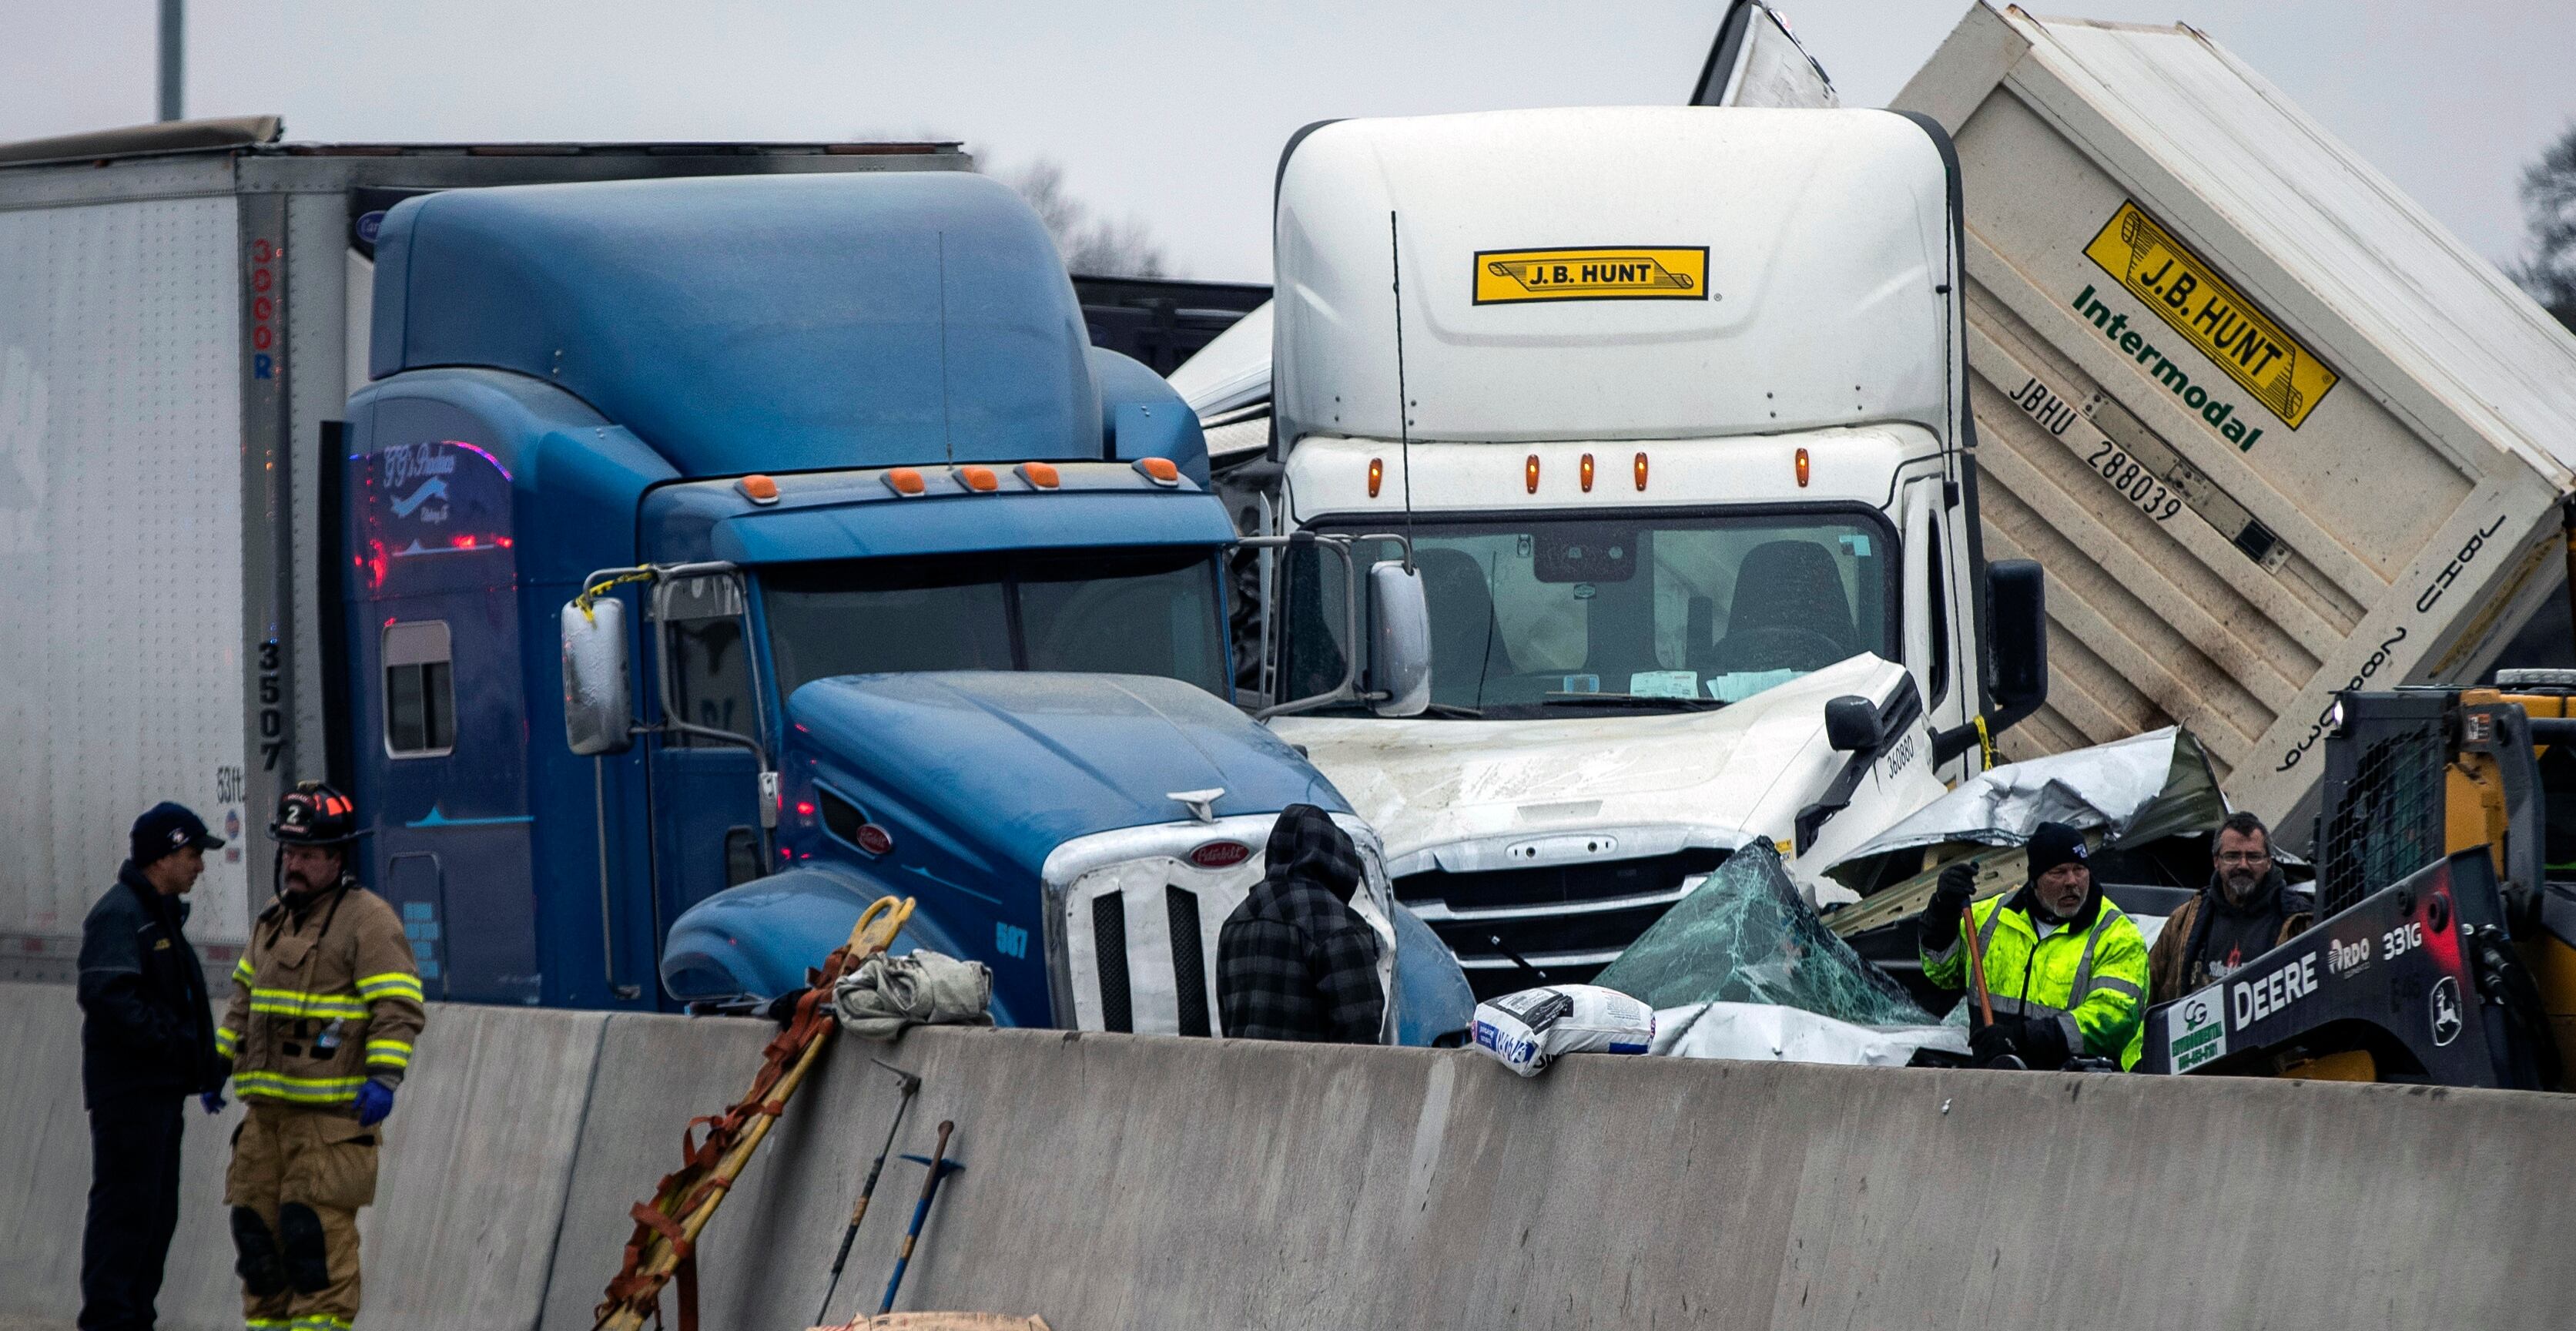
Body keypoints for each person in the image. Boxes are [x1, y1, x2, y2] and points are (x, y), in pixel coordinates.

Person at [216, 782, 425, 1331]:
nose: (295, 864)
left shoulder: (369, 922)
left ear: (336, 858)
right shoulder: (272, 919)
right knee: (259, 1252)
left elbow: (397, 1007)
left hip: (329, 1129)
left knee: (314, 1254)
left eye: (308, 855)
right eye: (289, 852)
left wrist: (384, 1077)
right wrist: (216, 1062)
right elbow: (244, 1000)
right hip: (264, 1124)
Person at [75, 802, 230, 1331]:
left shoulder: (158, 914)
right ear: (164, 856)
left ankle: (135, 1318)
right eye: (193, 854)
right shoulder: (121, 914)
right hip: (132, 1095)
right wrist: (171, 1046)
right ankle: (109, 1320)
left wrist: (202, 1069)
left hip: (159, 1092)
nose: (200, 866)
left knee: (156, 1215)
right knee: (126, 1214)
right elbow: (107, 993)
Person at [1921, 820, 2151, 1070]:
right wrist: (1942, 911)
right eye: (2059, 872)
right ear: (2035, 879)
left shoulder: (2117, 935)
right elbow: (1940, 971)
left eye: (2079, 869)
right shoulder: (1990, 918)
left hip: (2080, 1093)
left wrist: (2022, 1039)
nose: (2072, 881)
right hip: (1995, 1084)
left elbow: (2114, 1019)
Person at [1216, 804, 1385, 1042]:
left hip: (1245, 1078)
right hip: (1316, 1078)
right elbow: (1361, 1033)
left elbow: (1228, 1021)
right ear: (1337, 859)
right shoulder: (1340, 926)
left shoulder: (1235, 923)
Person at [2149, 811, 2313, 1004]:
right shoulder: (2183, 921)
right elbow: (2148, 991)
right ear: (2216, 861)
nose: (2243, 865)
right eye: (2232, 856)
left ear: (2269, 862)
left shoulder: (2299, 924)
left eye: (2253, 857)